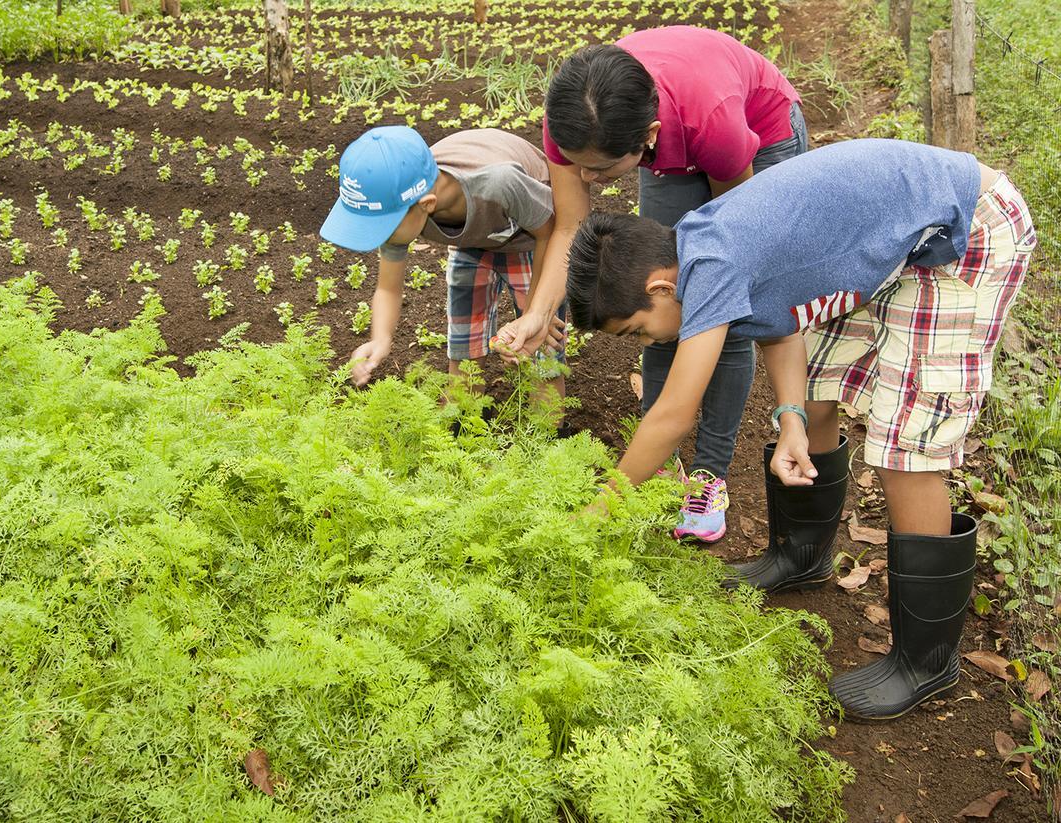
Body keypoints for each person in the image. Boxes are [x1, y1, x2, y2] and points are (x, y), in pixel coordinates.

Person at [564, 138, 1036, 720]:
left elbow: (672, 415)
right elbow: (782, 322)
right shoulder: (701, 248)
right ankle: (801, 555)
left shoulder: (710, 263)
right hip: (903, 238)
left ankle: (927, 660)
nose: (648, 343)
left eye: (638, 330)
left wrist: (600, 510)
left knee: (903, 450)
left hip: (968, 229)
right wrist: (789, 418)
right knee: (816, 395)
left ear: (661, 287)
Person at [497, 26, 806, 543]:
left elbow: (734, 248)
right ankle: (661, 463)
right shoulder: (574, 125)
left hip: (756, 133)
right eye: (577, 166)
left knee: (718, 313)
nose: (586, 178)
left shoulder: (713, 125)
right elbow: (571, 227)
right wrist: (538, 313)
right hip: (666, 130)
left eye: (598, 170)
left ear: (649, 137)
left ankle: (709, 475)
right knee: (660, 311)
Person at [319, 125, 566, 417]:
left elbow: (551, 233)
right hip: (471, 243)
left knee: (539, 356)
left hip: (533, 241)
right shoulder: (402, 200)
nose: (379, 237)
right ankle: (462, 428)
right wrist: (380, 339)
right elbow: (387, 287)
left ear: (426, 205)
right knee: (464, 352)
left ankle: (548, 435)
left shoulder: (497, 183)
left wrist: (538, 312)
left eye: (382, 227)